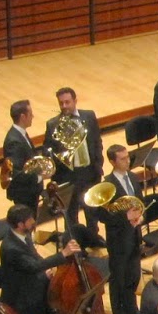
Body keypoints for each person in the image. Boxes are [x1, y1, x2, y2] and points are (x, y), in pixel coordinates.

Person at [0, 204, 75, 314]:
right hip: (23, 298)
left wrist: (46, 270)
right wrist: (63, 254)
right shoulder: (11, 248)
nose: (33, 221)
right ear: (20, 224)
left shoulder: (22, 234)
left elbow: (34, 257)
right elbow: (33, 266)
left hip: (30, 283)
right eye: (30, 220)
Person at [95, 146, 144, 314]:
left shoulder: (133, 177)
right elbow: (102, 215)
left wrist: (141, 216)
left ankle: (131, 308)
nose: (127, 161)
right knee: (118, 279)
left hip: (134, 234)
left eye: (128, 157)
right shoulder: (107, 185)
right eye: (122, 159)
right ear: (112, 162)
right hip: (118, 239)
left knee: (133, 275)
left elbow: (140, 202)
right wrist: (126, 217)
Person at [44, 86, 103, 233]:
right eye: (61, 103)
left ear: (75, 101)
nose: (64, 106)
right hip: (68, 177)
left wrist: (98, 164)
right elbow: (47, 150)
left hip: (89, 173)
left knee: (92, 213)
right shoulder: (52, 124)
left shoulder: (89, 116)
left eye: (67, 102)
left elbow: (97, 141)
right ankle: (74, 242)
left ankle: (93, 238)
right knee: (71, 216)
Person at [3, 99, 43, 211]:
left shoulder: (20, 134)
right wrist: (40, 177)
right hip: (24, 194)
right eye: (30, 114)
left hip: (30, 191)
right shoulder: (14, 142)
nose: (33, 116)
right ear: (23, 117)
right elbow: (16, 173)